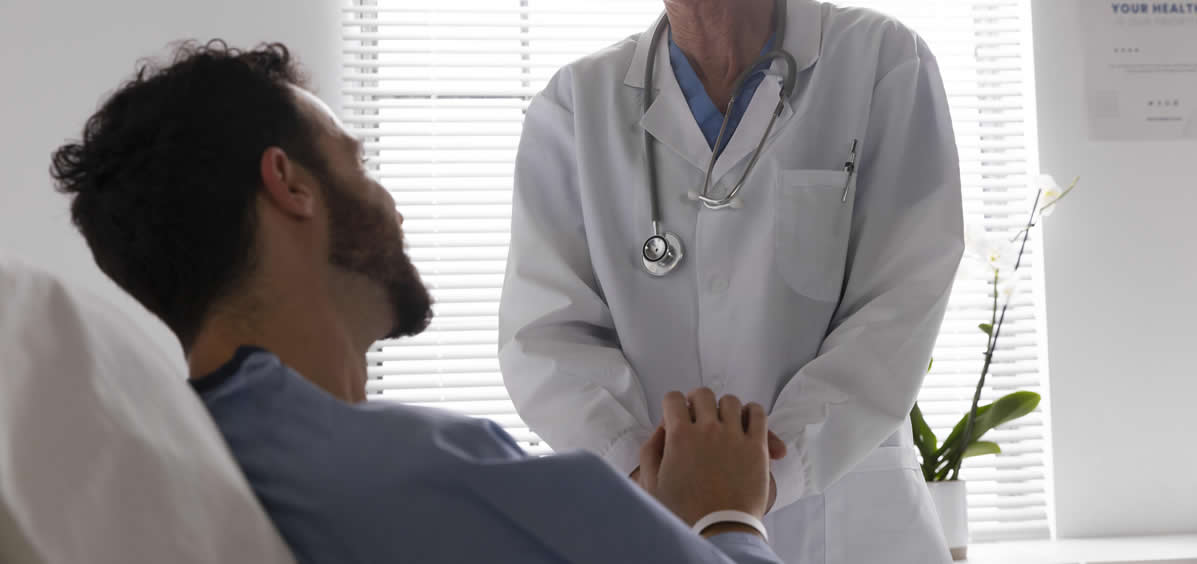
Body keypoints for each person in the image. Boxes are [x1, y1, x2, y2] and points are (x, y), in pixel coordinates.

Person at [51, 40, 791, 563]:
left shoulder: (171, 466)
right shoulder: (409, 472)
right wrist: (726, 513)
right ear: (291, 185)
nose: (391, 204)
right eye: (354, 161)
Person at [498, 0, 965, 562]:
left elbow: (898, 309)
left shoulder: (881, 60)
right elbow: (545, 336)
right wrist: (647, 473)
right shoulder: (575, 102)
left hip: (847, 526)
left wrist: (763, 477)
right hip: (654, 523)